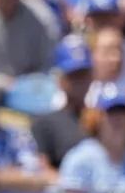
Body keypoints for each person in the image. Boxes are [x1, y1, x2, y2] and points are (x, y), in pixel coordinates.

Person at [58, 82, 125, 193]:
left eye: (123, 112)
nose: (118, 119)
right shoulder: (80, 160)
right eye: (111, 113)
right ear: (97, 119)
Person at [31, 35, 93, 168]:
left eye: (83, 75)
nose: (79, 82)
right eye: (73, 76)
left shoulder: (102, 118)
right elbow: (43, 170)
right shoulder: (45, 123)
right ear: (60, 80)